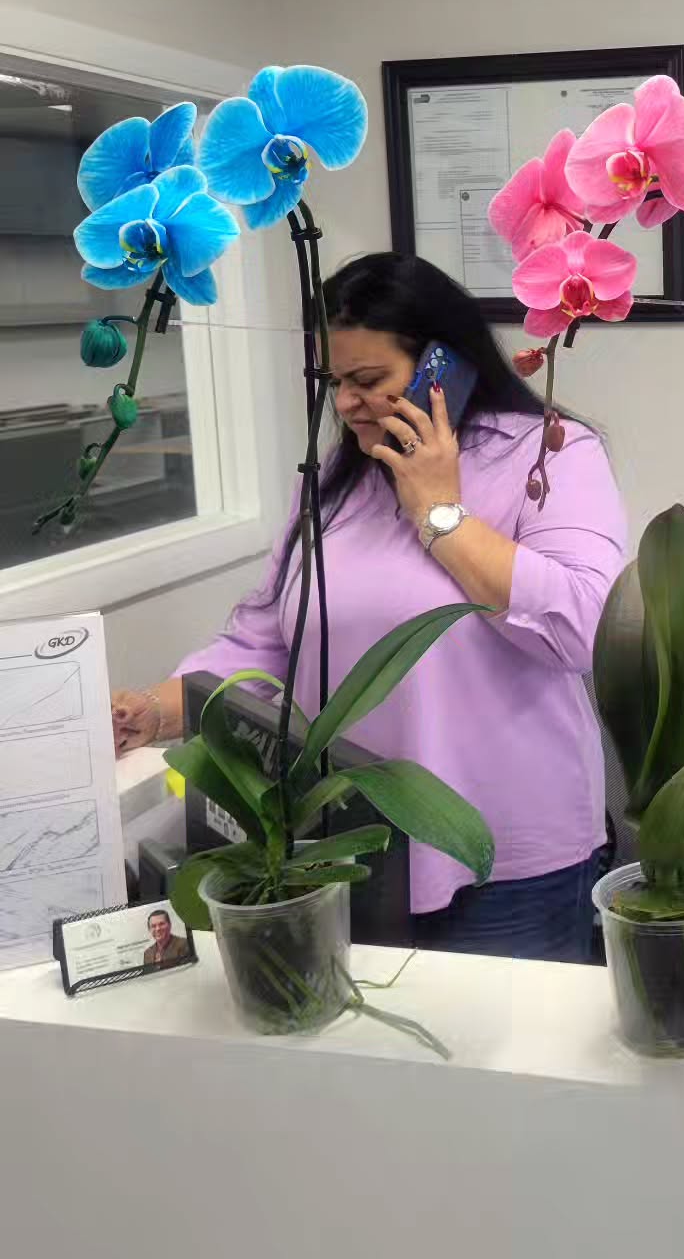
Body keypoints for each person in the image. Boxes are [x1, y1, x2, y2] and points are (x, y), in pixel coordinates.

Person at [111, 253, 627, 962]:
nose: (347, 403)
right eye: (335, 383)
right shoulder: (335, 480)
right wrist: (152, 710)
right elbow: (267, 641)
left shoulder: (546, 453)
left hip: (505, 856)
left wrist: (440, 513)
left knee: (504, 1037)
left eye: (368, 380)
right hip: (348, 844)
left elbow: (583, 629)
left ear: (443, 367)